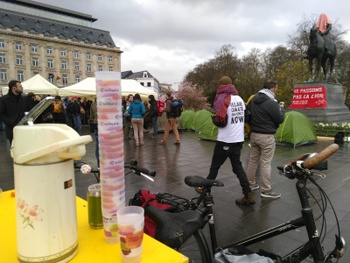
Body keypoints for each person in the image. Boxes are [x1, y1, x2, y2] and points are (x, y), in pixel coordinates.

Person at [200, 76, 255, 205]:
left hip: (225, 140)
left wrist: (214, 119)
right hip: (238, 139)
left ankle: (205, 190)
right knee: (237, 167)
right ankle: (248, 194)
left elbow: (221, 122)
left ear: (221, 86)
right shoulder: (240, 99)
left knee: (215, 167)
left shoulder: (223, 99)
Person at [246, 80, 284, 199]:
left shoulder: (253, 99)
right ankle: (266, 190)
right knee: (265, 163)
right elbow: (279, 119)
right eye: (276, 88)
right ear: (272, 88)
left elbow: (247, 115)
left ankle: (250, 185)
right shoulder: (271, 102)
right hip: (267, 136)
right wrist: (281, 109)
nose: (276, 90)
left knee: (252, 161)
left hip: (254, 135)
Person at [0, 80, 27, 145]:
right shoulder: (4, 99)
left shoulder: (23, 99)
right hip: (12, 129)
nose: (22, 88)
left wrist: (36, 100)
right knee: (14, 149)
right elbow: (1, 113)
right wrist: (9, 122)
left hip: (23, 129)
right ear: (14, 88)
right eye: (20, 86)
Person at [89, 98, 99, 168]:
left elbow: (91, 116)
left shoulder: (93, 104)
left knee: (98, 146)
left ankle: (99, 164)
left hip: (96, 125)